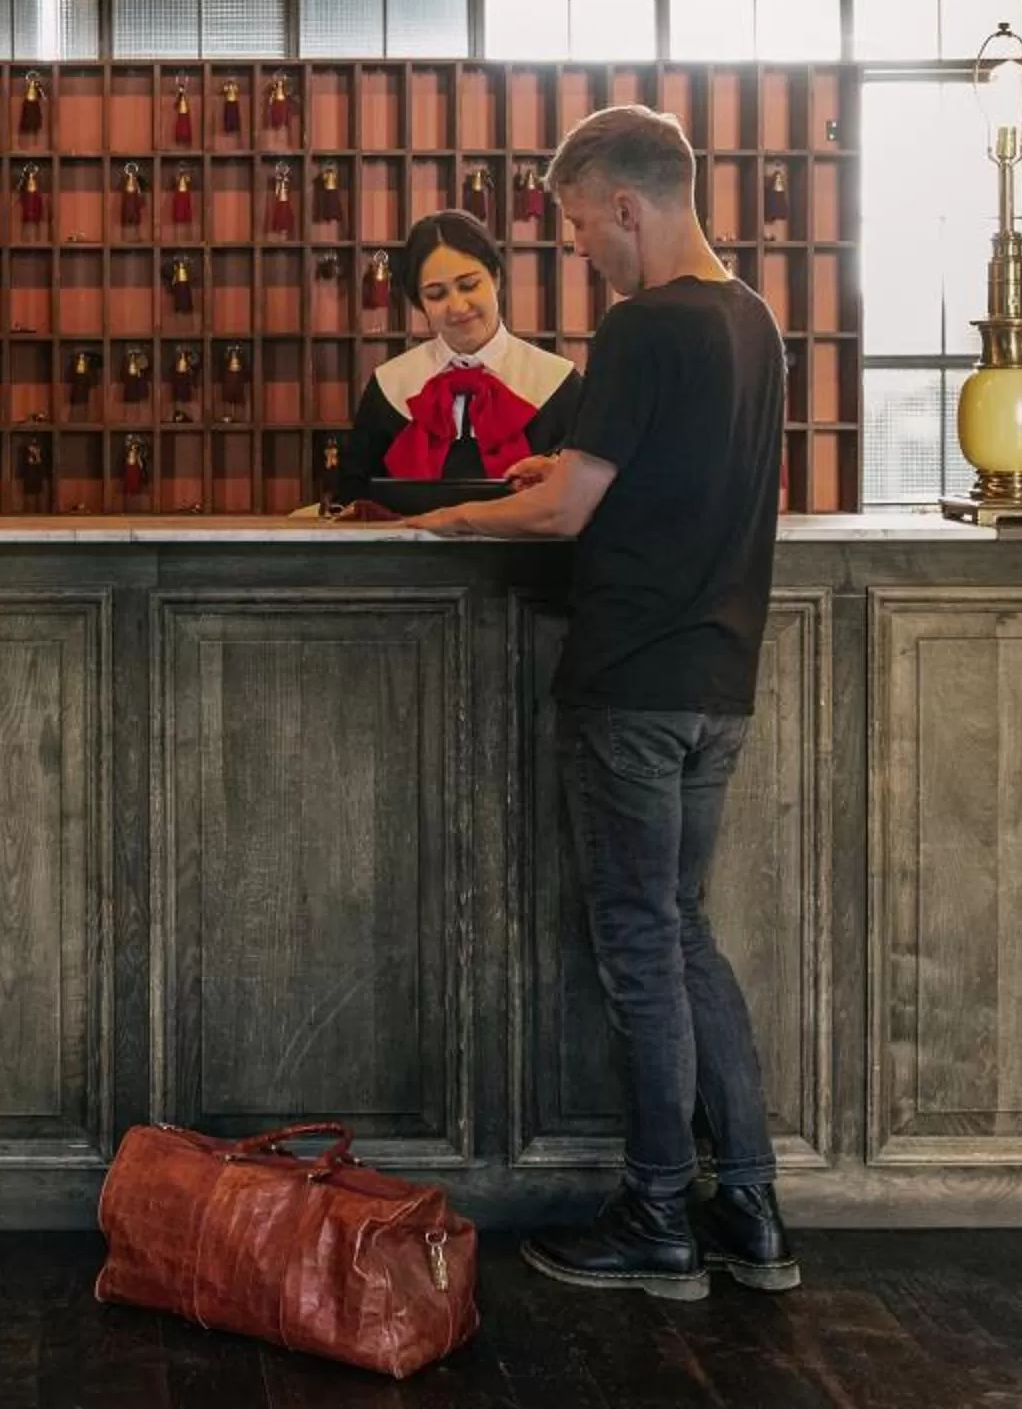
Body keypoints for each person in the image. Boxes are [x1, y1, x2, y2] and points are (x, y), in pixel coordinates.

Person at [405, 106, 795, 1301]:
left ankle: (657, 1212)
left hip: (630, 674)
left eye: (579, 227)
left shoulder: (640, 326)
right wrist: (549, 473)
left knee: (637, 945)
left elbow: (569, 515)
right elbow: (642, 476)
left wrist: (453, 513)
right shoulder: (754, 319)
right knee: (683, 932)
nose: (580, 251)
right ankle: (754, 1211)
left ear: (627, 204)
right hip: (719, 675)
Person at [327, 209, 582, 511]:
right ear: (419, 303)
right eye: (436, 294)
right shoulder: (390, 384)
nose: (457, 306)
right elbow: (354, 499)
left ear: (496, 278)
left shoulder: (558, 382)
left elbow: (580, 498)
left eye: (469, 285)